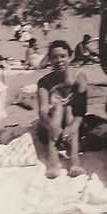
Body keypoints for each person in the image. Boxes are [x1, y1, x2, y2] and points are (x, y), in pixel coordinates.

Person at [36, 41, 87, 179]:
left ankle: (74, 159)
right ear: (50, 60)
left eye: (63, 56)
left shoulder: (79, 79)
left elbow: (81, 112)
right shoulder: (44, 83)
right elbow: (42, 113)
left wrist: (71, 127)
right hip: (50, 127)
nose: (59, 61)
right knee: (58, 107)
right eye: (54, 57)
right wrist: (53, 126)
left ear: (70, 57)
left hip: (74, 125)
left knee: (70, 108)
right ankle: (53, 161)